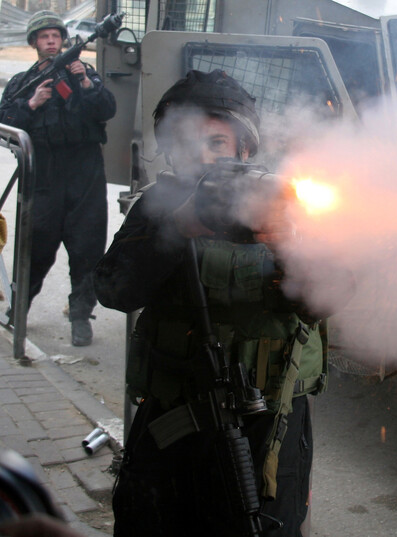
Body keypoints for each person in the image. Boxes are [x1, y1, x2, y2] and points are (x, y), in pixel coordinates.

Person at [94, 70, 349, 537]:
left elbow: (327, 300)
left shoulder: (287, 203)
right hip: (173, 415)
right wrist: (179, 228)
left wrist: (289, 246)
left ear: (245, 148)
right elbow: (114, 291)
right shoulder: (157, 207)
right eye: (188, 143)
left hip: (268, 424)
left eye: (216, 142)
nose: (203, 156)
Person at [0, 10, 116, 346]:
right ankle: (19, 311)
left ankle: (80, 317)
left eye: (55, 36)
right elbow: (6, 120)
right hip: (44, 176)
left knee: (86, 250)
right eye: (44, 37)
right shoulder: (23, 82)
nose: (51, 41)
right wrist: (32, 104)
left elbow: (106, 109)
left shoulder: (85, 74)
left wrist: (82, 81)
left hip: (85, 174)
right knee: (35, 249)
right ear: (34, 43)